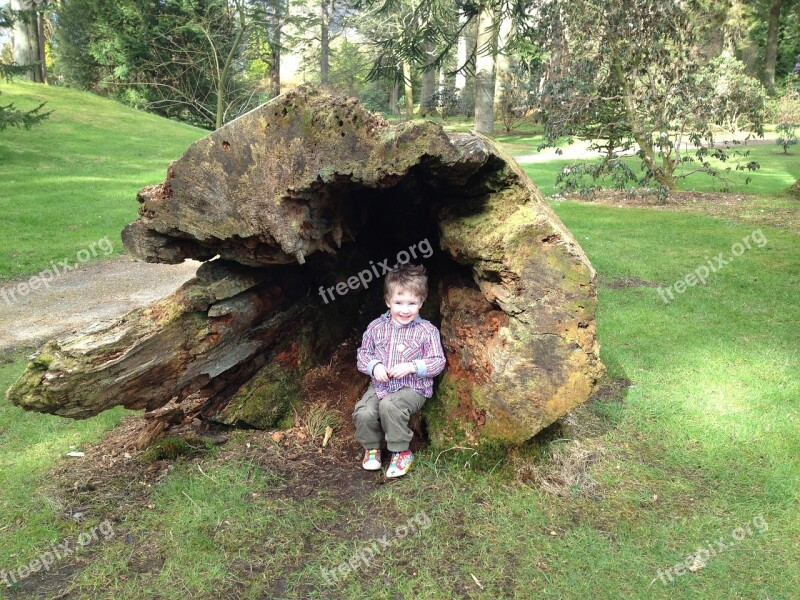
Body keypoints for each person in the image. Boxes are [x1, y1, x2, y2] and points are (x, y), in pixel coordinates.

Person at [353, 264, 446, 478]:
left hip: (413, 388)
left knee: (390, 405)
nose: (405, 310)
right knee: (364, 411)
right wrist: (374, 366)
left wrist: (413, 366)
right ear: (388, 301)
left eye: (412, 303)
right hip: (381, 385)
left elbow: (437, 362)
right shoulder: (376, 327)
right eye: (398, 303)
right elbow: (363, 355)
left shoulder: (427, 331)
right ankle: (372, 448)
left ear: (421, 302)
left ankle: (401, 451)